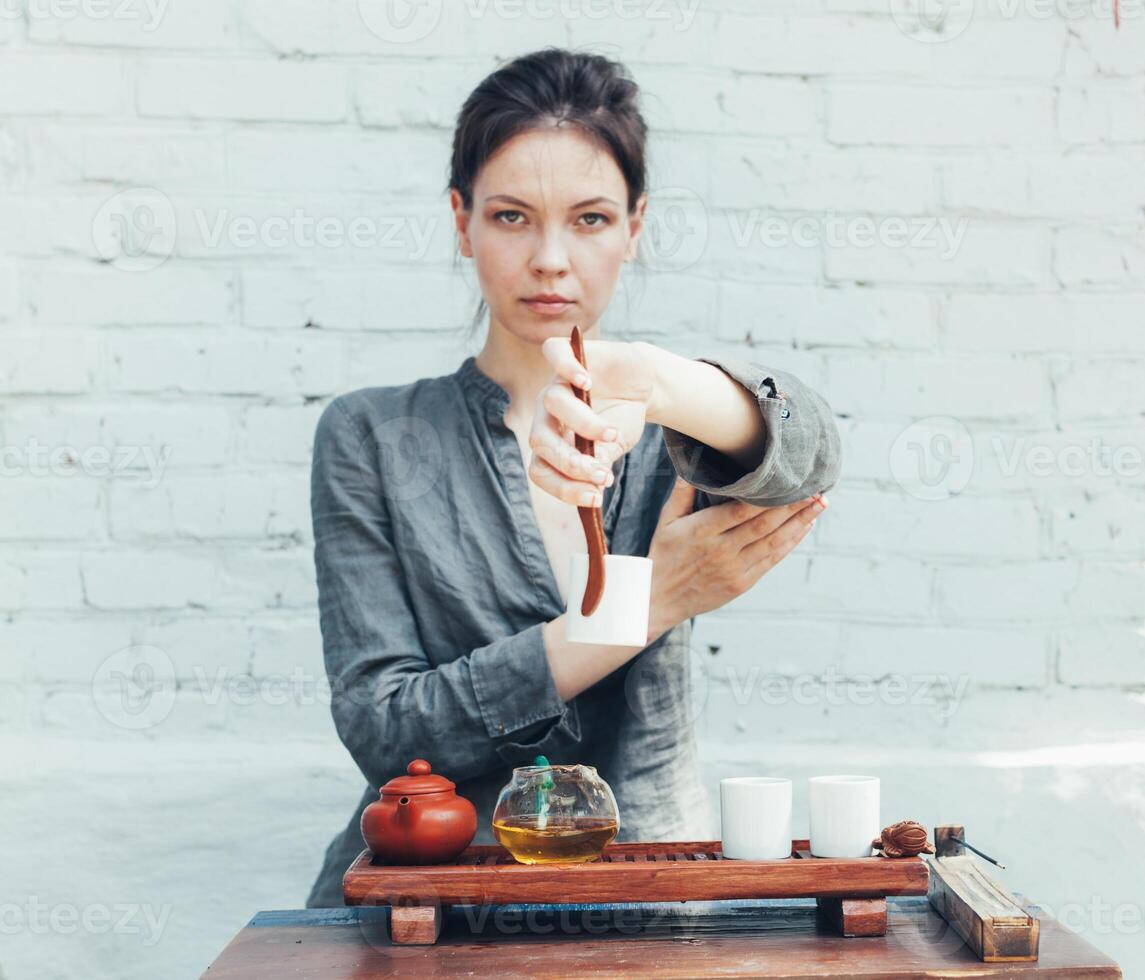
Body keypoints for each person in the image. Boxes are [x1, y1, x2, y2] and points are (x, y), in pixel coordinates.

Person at [305, 47, 841, 907]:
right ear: (461, 219)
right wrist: (651, 600)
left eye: (589, 219)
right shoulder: (372, 436)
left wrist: (664, 385)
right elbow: (386, 727)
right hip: (425, 911)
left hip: (650, 898)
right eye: (512, 217)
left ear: (636, 225)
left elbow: (812, 450)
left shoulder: (674, 432)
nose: (551, 259)